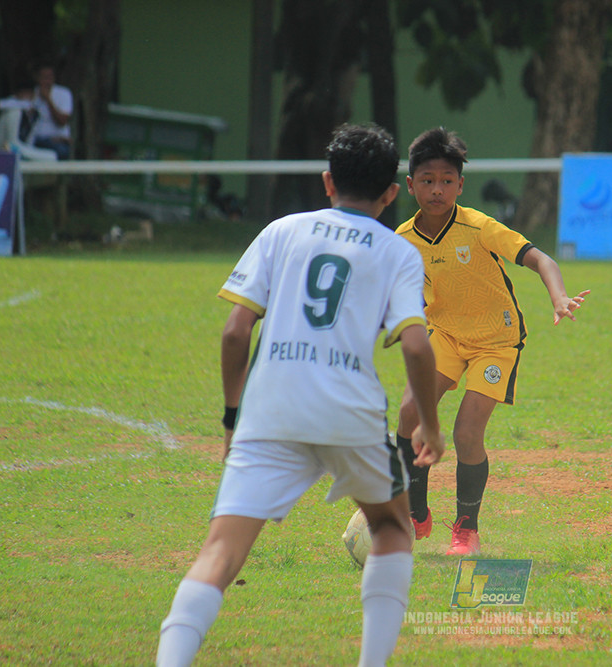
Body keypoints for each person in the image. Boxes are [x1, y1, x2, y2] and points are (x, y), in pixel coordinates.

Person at [155, 123, 444, 667]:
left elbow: (236, 332)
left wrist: (231, 419)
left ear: (327, 181)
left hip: (270, 410)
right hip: (350, 414)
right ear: (391, 194)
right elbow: (417, 347)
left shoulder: (281, 231)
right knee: (390, 525)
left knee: (220, 552)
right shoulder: (398, 251)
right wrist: (429, 424)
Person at [394, 127, 589, 556]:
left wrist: (557, 296)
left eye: (447, 180)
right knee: (408, 412)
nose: (437, 190)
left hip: (496, 342)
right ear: (411, 185)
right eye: (427, 180)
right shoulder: (402, 240)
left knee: (466, 432)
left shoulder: (479, 226)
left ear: (461, 185)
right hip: (445, 334)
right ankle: (416, 511)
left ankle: (466, 528)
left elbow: (540, 258)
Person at [30, 64, 73, 160]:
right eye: (44, 77)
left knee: (61, 151)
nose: (47, 81)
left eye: (49, 77)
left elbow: (62, 122)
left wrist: (48, 99)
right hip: (35, 140)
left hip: (57, 141)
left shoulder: (63, 93)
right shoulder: (32, 94)